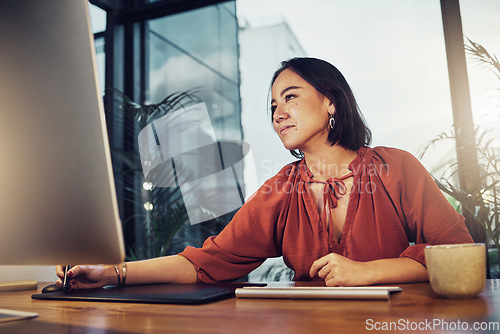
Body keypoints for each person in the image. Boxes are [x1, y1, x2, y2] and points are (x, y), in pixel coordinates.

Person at [55, 57, 473, 289]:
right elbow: (209, 261)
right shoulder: (280, 190)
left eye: (290, 97)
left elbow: (457, 252)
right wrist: (112, 272)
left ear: (331, 102)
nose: (278, 113)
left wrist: (370, 271)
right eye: (272, 106)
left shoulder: (394, 167)